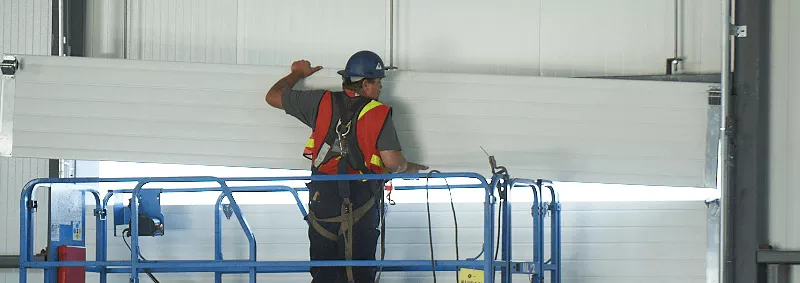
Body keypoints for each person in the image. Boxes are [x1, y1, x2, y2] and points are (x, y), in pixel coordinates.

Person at [265, 50, 428, 283]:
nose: (380, 88)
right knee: (359, 274)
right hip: (361, 200)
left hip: (322, 199)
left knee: (324, 272)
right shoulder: (378, 113)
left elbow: (273, 96)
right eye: (378, 82)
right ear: (365, 84)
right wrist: (411, 168)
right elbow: (393, 163)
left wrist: (297, 74)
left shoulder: (320, 102)